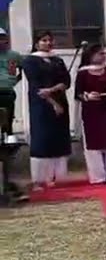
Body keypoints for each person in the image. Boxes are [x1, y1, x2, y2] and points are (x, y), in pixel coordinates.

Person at [22, 31, 72, 189]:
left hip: (60, 100)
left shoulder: (57, 60)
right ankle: (38, 180)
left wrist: (52, 90)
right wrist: (53, 102)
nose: (48, 43)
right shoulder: (30, 61)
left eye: (50, 40)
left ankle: (57, 178)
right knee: (42, 139)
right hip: (41, 104)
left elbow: (66, 81)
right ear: (37, 43)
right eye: (44, 40)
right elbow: (36, 85)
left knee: (59, 138)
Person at [74, 43, 106, 184]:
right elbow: (78, 93)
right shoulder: (83, 73)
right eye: (100, 53)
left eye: (104, 53)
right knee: (93, 143)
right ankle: (97, 177)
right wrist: (88, 96)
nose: (103, 56)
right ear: (90, 55)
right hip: (90, 111)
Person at [0, 28, 22, 136]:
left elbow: (24, 69)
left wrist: (15, 80)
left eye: (2, 38)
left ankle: (7, 135)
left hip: (8, 90)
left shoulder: (14, 55)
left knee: (8, 117)